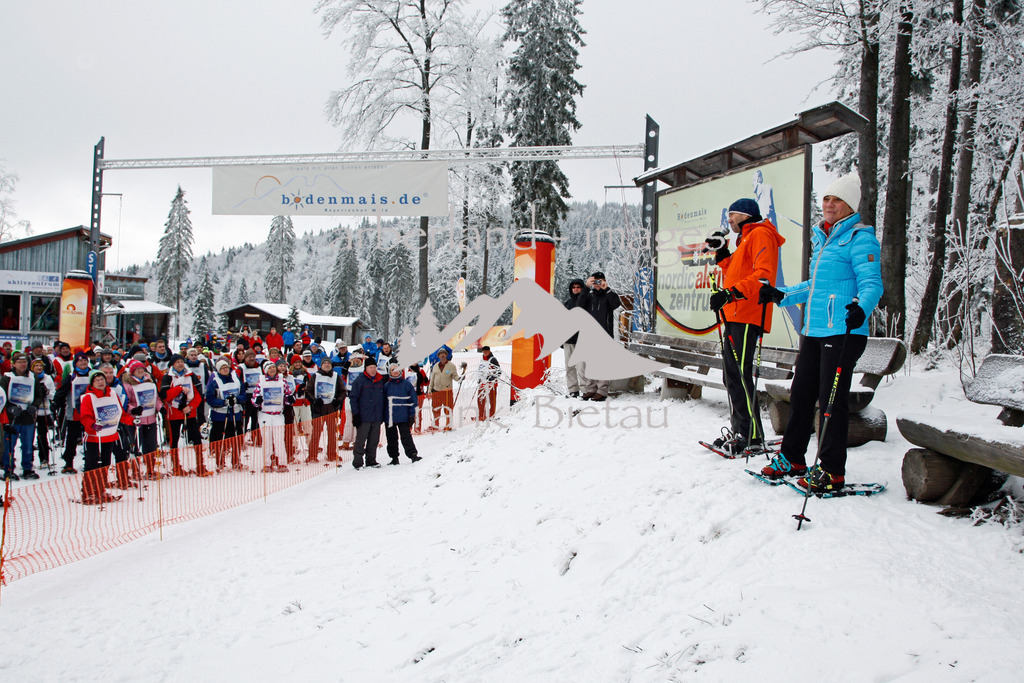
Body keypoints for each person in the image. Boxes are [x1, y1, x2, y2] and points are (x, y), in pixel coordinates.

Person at [757, 172, 883, 493]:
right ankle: (793, 457)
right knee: (801, 395)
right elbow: (815, 286)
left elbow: (872, 284)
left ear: (849, 205)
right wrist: (781, 294)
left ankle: (830, 470)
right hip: (814, 331)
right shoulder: (825, 238)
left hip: (843, 331)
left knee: (830, 402)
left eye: (836, 199)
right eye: (826, 198)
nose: (829, 204)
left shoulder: (859, 238)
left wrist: (861, 307)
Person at [706, 197, 785, 455]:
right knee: (731, 376)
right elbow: (736, 271)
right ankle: (741, 430)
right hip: (736, 314)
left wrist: (731, 295)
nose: (729, 220)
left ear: (745, 214)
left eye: (732, 215)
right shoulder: (746, 238)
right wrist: (722, 253)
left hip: (748, 314)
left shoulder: (761, 234)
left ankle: (750, 435)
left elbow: (762, 275)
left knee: (740, 374)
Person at [79, 369, 124, 505]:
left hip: (109, 435)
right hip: (94, 437)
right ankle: (87, 491)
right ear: (92, 383)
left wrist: (132, 419)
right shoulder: (88, 397)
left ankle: (100, 489)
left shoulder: (112, 394)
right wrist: (92, 425)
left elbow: (120, 412)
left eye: (102, 379)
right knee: (92, 465)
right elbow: (85, 416)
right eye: (97, 380)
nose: (100, 382)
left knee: (105, 464)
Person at [159, 354, 206, 476]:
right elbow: (165, 396)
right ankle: (176, 465)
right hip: (174, 412)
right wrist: (179, 388)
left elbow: (198, 394)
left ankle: (200, 464)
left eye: (182, 361)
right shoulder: (167, 377)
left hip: (189, 411)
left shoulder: (191, 376)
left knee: (196, 438)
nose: (180, 364)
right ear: (172, 364)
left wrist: (191, 406)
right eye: (178, 362)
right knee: (174, 440)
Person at [576, 271, 621, 401]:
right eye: (594, 281)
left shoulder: (608, 295)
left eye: (599, 281)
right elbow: (579, 305)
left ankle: (602, 390)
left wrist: (606, 289)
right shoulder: (589, 296)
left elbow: (616, 305)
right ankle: (591, 389)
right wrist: (585, 288)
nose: (597, 284)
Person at [2, 352, 46, 480]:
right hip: (13, 417)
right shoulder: (7, 378)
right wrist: (10, 408)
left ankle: (27, 468)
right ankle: (8, 469)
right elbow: (2, 396)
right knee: (10, 445)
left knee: (27, 445)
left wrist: (35, 405)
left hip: (28, 416)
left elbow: (38, 395)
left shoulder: (33, 377)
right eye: (20, 362)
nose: (23, 364)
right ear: (14, 364)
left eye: (24, 362)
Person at [120, 359, 162, 479]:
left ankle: (150, 469)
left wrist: (160, 408)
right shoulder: (128, 384)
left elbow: (156, 399)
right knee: (136, 447)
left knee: (151, 445)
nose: (140, 370)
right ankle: (135, 471)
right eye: (137, 369)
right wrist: (133, 409)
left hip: (151, 418)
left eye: (142, 368)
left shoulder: (150, 382)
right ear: (132, 371)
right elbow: (126, 401)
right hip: (136, 420)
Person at [53, 351, 93, 473]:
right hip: (74, 412)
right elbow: (62, 391)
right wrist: (56, 402)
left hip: (90, 412)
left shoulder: (93, 375)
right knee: (72, 438)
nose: (83, 363)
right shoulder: (71, 376)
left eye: (85, 361)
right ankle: (68, 462)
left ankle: (90, 461)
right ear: (75, 363)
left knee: (90, 437)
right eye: (80, 361)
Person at [250, 361, 292, 472]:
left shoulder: (282, 381)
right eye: (270, 368)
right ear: (266, 370)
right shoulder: (262, 382)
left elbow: (288, 396)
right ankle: (267, 464)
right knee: (266, 440)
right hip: (265, 415)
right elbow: (254, 398)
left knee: (279, 439)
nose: (272, 369)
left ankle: (282, 463)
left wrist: (291, 399)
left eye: (274, 367)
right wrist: (256, 401)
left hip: (278, 414)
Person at [206, 358, 247, 470]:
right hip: (220, 415)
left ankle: (236, 461)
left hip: (235, 413)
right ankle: (220, 462)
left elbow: (243, 394)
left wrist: (237, 399)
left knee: (235, 439)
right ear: (218, 370)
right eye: (222, 368)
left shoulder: (236, 379)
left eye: (226, 367)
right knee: (220, 439)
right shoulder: (215, 381)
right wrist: (222, 402)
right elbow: (209, 398)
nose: (225, 370)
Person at [348, 356, 385, 469]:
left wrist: (383, 414)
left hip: (376, 416)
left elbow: (383, 398)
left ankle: (371, 460)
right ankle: (358, 462)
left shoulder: (380, 380)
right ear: (366, 368)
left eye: (374, 367)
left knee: (374, 440)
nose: (373, 369)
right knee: (360, 440)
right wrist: (356, 414)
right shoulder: (360, 381)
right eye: (371, 367)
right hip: (364, 416)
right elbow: (353, 398)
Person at [306, 357, 344, 463]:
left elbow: (342, 391)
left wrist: (338, 401)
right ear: (321, 365)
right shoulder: (315, 376)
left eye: (328, 363)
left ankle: (331, 454)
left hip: (331, 407)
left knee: (332, 432)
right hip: (318, 407)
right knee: (316, 432)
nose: (327, 365)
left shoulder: (336, 376)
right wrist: (314, 400)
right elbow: (308, 390)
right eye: (325, 363)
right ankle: (312, 455)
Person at [383, 361, 420, 465]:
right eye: (392, 370)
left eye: (397, 369)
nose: (395, 372)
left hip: (403, 416)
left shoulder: (407, 384)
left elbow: (413, 400)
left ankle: (412, 454)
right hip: (389, 417)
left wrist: (412, 414)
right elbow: (383, 401)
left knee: (406, 436)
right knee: (391, 439)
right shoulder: (386, 386)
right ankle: (394, 457)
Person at [31, 358, 56, 473]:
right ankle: (29, 460)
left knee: (42, 435)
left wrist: (47, 392)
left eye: (41, 366)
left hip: (43, 411)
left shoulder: (48, 378)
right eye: (36, 366)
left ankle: (44, 458)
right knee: (29, 436)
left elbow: (53, 395)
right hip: (31, 411)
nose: (39, 368)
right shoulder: (30, 377)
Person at [562, 278, 586, 397]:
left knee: (582, 367)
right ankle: (573, 390)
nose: (576, 289)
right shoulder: (567, 303)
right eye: (574, 287)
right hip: (568, 340)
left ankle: (585, 390)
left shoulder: (587, 301)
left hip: (581, 339)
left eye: (578, 287)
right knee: (569, 367)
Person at [428, 348, 461, 430]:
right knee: (435, 409)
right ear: (438, 356)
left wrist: (460, 379)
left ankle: (448, 425)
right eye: (440, 354)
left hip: (447, 392)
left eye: (444, 353)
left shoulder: (451, 366)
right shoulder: (435, 366)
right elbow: (432, 379)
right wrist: (429, 390)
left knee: (448, 408)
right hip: (436, 391)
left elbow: (455, 376)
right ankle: (436, 425)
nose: (442, 355)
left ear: (446, 355)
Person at [475, 346, 502, 421]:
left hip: (491, 384)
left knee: (491, 400)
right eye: (484, 352)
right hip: (482, 383)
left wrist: (491, 378)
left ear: (489, 351)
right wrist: (479, 379)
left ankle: (491, 416)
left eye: (486, 352)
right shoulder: (482, 359)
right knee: (480, 399)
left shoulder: (493, 360)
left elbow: (499, 371)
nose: (485, 353)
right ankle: (481, 415)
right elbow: (480, 370)